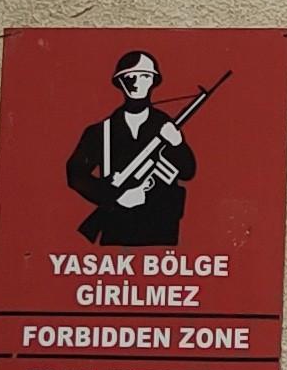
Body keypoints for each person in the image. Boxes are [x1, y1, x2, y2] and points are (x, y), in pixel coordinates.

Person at [66, 49, 196, 250]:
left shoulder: (166, 126)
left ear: (153, 81)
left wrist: (177, 143)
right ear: (120, 82)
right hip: (117, 232)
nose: (136, 83)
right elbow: (75, 175)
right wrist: (115, 196)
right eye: (130, 77)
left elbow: (188, 172)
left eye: (144, 76)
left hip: (162, 233)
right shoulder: (101, 131)